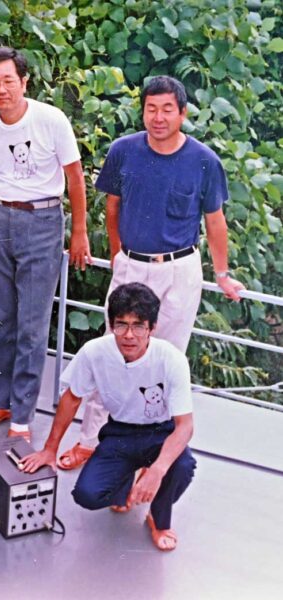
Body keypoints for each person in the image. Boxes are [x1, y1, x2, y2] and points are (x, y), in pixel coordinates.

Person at [57, 75, 245, 471]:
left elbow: (215, 222)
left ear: (183, 113)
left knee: (166, 364)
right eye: (150, 108)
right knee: (111, 352)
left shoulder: (204, 161)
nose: (158, 117)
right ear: (141, 110)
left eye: (167, 109)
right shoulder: (123, 151)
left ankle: (150, 456)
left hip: (180, 271)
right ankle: (90, 441)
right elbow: (111, 209)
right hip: (132, 267)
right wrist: (119, 257)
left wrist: (223, 274)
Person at [0, 46, 91, 443]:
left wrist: (80, 232)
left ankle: (22, 414)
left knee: (32, 327)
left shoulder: (51, 120)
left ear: (24, 82)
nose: (0, 89)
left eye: (7, 81)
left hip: (43, 221)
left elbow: (74, 177)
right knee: (2, 319)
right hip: (0, 220)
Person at [20, 283, 196, 551]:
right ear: (111, 324)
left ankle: (158, 519)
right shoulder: (95, 352)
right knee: (87, 495)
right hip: (120, 433)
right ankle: (126, 482)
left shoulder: (171, 359)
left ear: (152, 327)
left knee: (182, 466)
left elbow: (185, 426)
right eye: (120, 324)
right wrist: (49, 449)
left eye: (138, 325)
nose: (128, 335)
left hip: (160, 431)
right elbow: (72, 398)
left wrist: (157, 471)